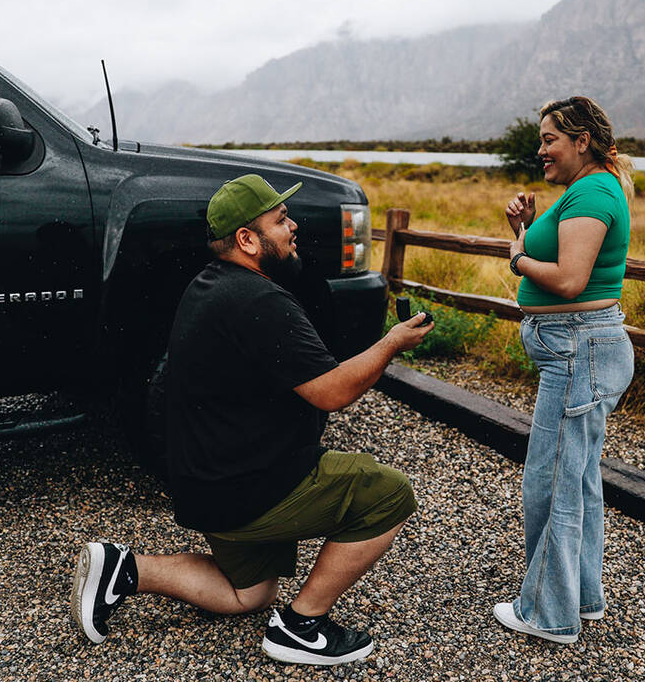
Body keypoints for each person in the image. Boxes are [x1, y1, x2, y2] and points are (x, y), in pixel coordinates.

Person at [70, 174, 433, 666]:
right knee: (388, 492)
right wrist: (392, 343)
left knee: (250, 594)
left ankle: (124, 570)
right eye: (281, 220)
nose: (294, 227)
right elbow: (332, 392)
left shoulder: (207, 286)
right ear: (247, 239)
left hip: (207, 487)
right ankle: (302, 627)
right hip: (250, 485)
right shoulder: (259, 301)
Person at [494, 96, 635, 644]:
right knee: (577, 479)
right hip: (580, 350)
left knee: (550, 483)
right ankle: (580, 595)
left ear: (582, 141)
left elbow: (570, 280)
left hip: (581, 350)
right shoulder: (584, 191)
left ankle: (549, 615)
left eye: (550, 138)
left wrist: (514, 254)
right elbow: (562, 260)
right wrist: (527, 227)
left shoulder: (594, 191)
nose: (541, 149)